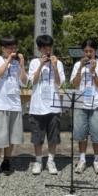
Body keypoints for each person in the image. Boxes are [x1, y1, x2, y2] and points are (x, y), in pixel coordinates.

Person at [0, 35, 27, 177]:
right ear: (2, 48)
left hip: (14, 104)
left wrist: (21, 65)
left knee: (12, 137)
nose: (13, 50)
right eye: (10, 47)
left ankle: (7, 161)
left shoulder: (17, 63)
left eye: (14, 47)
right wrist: (8, 60)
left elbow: (24, 82)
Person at [71, 39, 98, 175]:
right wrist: (80, 68)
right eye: (86, 51)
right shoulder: (78, 65)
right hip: (81, 102)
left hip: (97, 102)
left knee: (97, 132)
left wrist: (93, 72)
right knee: (80, 132)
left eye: (91, 51)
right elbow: (75, 84)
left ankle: (97, 160)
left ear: (95, 51)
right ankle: (82, 159)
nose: (88, 54)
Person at [28, 35, 65, 175]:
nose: (47, 50)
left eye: (49, 47)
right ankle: (38, 161)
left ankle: (51, 160)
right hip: (37, 106)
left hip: (53, 106)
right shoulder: (33, 62)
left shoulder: (58, 63)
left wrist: (54, 67)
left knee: (53, 137)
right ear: (39, 49)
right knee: (37, 137)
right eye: (44, 48)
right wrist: (41, 65)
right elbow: (32, 81)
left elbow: (59, 83)